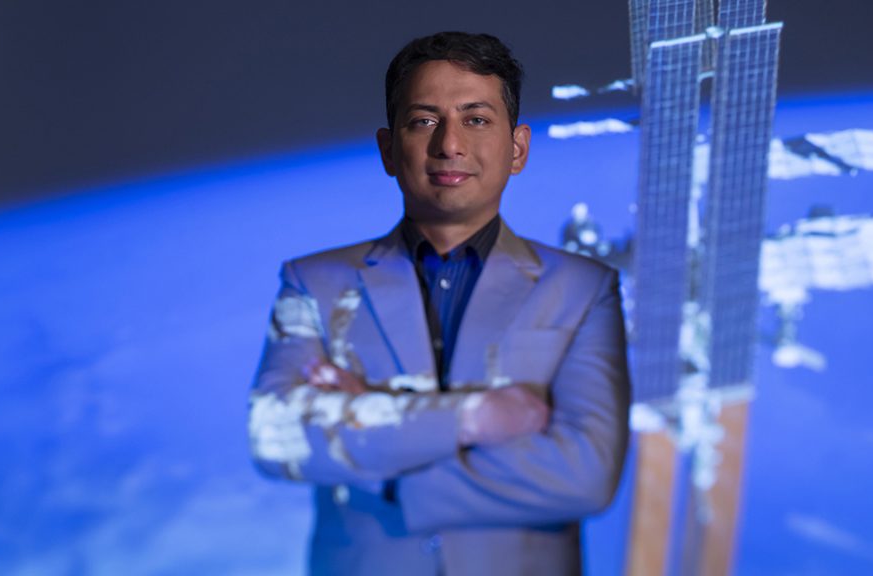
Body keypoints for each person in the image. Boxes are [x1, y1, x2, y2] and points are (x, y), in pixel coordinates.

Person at [248, 31, 630, 576]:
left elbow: (585, 476)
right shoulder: (314, 283)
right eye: (424, 120)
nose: (450, 144)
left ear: (517, 148)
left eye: (476, 119)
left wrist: (383, 454)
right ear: (388, 148)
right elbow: (275, 435)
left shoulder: (583, 288)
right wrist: (474, 418)